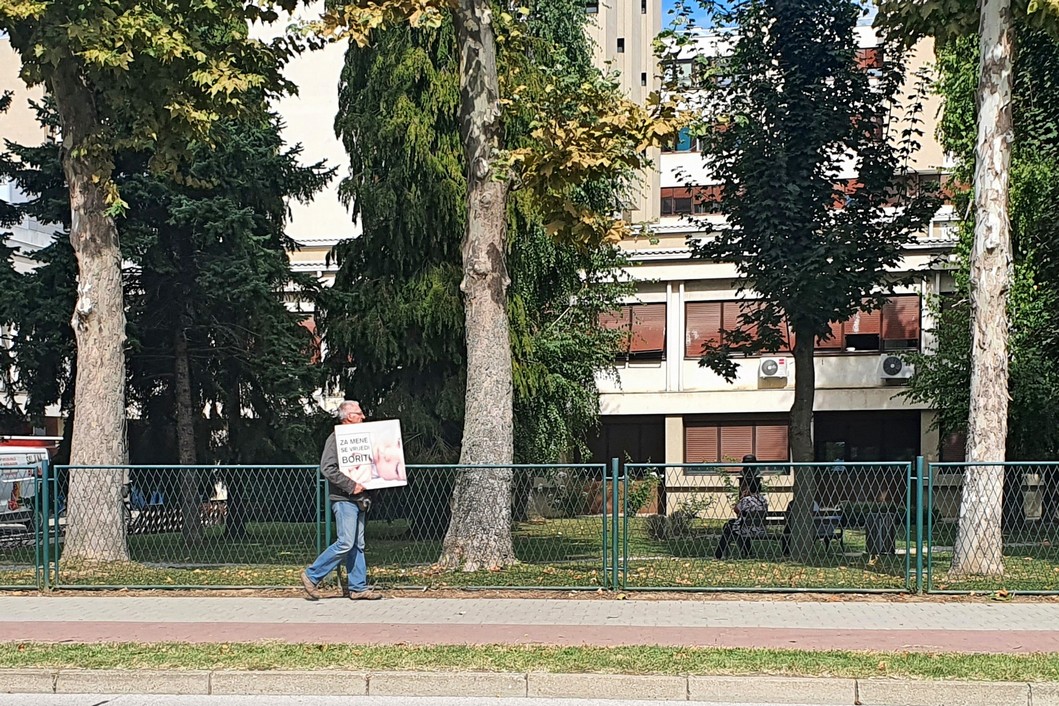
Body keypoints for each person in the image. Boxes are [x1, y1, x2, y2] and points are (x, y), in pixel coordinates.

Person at [301, 400, 382, 601]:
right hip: (344, 498)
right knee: (346, 542)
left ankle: (357, 587)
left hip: (360, 498)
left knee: (357, 544)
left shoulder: (361, 438)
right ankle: (312, 575)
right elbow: (327, 468)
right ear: (348, 417)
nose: (363, 417)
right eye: (359, 413)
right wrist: (351, 485)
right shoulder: (336, 438)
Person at [714, 469, 768, 559]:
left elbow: (736, 510)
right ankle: (747, 552)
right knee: (740, 526)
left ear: (749, 488)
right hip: (760, 529)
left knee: (728, 529)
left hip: (746, 530)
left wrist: (742, 497)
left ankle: (718, 555)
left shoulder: (746, 500)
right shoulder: (763, 500)